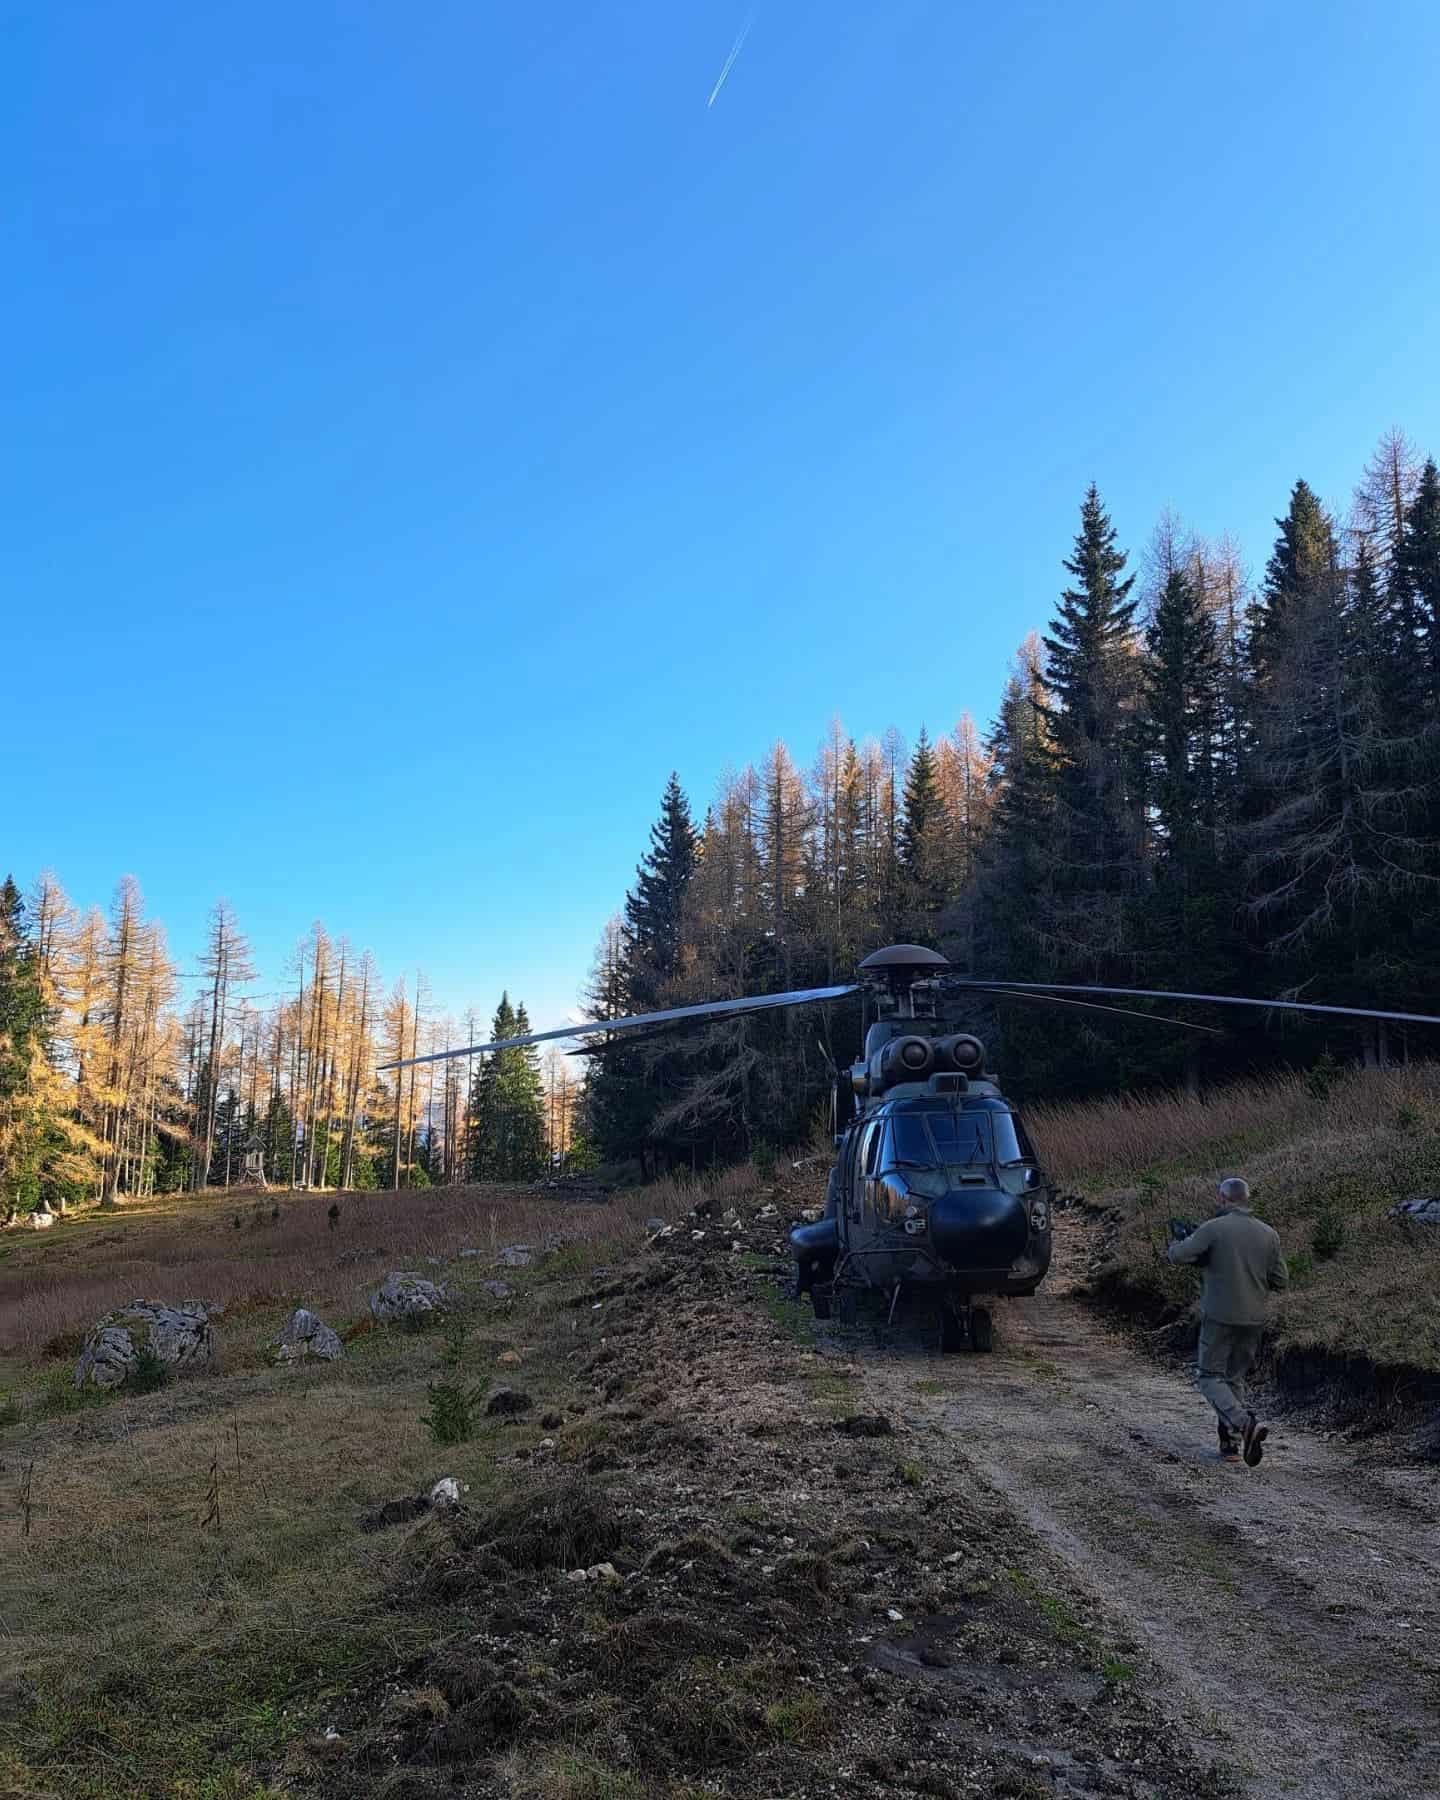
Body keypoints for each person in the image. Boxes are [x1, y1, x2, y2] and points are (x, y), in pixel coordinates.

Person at [1167, 1177, 1288, 1466]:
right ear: (1247, 1199)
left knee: (1209, 1376)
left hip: (1220, 1316)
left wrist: (1178, 1245)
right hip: (1254, 1319)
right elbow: (1281, 1280)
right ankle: (1231, 1447)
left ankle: (1243, 1423)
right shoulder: (1269, 1234)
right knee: (1234, 1378)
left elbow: (1179, 1255)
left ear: (1222, 1199)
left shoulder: (1213, 1229)